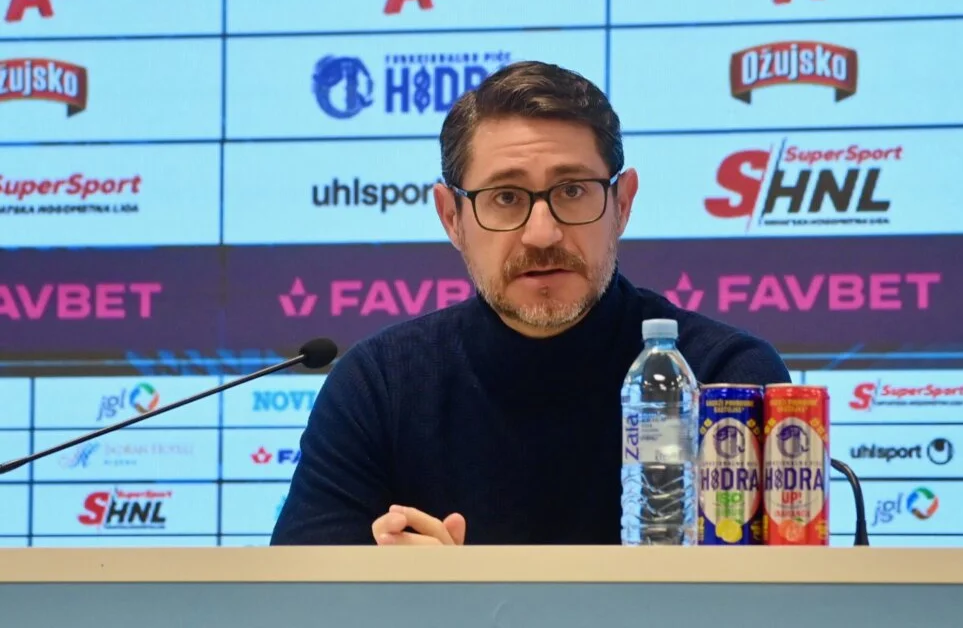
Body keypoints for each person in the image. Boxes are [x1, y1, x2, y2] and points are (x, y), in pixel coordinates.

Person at [270, 60, 790, 546]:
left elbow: (779, 599)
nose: (542, 233)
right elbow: (298, 597)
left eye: (572, 191)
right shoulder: (379, 387)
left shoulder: (724, 380)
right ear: (451, 218)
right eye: (505, 197)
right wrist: (393, 590)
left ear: (622, 203)